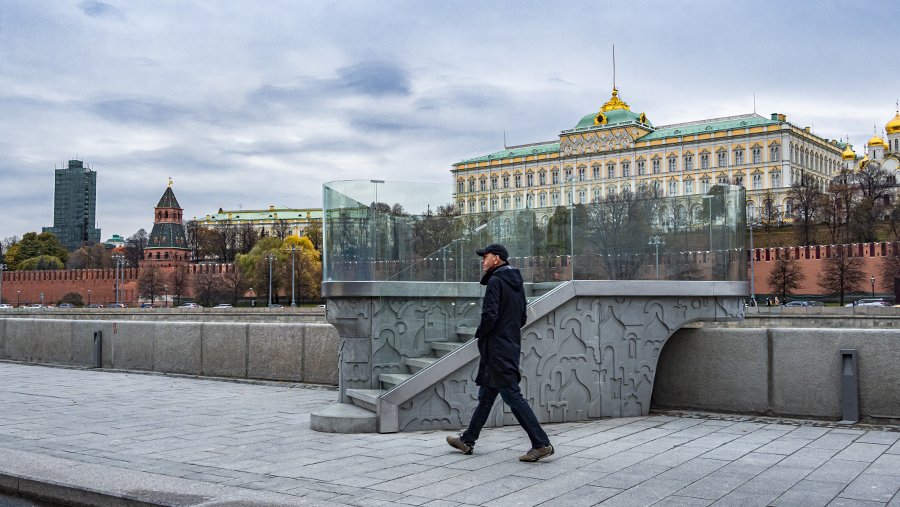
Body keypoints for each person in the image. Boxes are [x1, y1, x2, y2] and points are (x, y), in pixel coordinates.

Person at [446, 243, 554, 462]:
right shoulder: (516, 283)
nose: (482, 261)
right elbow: (522, 317)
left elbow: (490, 315)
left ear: (497, 259)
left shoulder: (496, 281)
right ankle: (467, 439)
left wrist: (481, 335)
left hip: (496, 349)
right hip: (508, 345)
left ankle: (541, 443)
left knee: (512, 395)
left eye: (485, 257)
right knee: (487, 396)